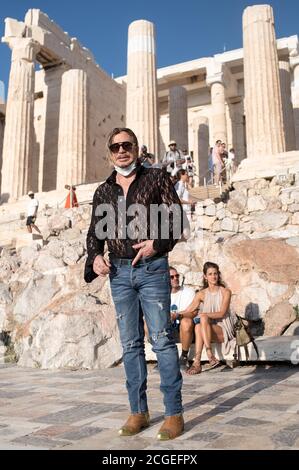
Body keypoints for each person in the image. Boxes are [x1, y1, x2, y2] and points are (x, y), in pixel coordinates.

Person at [84, 127, 185, 441]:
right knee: (129, 345)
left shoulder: (156, 178)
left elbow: (177, 218)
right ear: (110, 153)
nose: (122, 150)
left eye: (127, 145)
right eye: (116, 147)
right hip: (119, 274)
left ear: (137, 148)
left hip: (153, 269)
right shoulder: (103, 190)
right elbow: (94, 234)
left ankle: (173, 413)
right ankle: (138, 411)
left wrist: (157, 242)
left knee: (162, 341)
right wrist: (95, 258)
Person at [178, 262, 235, 375]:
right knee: (199, 325)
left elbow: (222, 313)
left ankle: (205, 355)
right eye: (210, 274)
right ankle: (198, 361)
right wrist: (175, 315)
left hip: (223, 329)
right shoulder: (201, 294)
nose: (213, 276)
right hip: (206, 329)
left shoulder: (225, 292)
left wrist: (205, 315)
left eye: (215, 273)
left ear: (218, 275)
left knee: (203, 317)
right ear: (205, 276)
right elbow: (189, 310)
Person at [169, 267, 196, 370]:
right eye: (172, 277)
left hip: (185, 330)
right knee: (147, 324)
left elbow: (193, 312)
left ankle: (184, 356)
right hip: (167, 327)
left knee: (186, 322)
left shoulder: (188, 292)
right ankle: (161, 356)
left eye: (177, 276)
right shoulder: (161, 294)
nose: (175, 278)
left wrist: (178, 315)